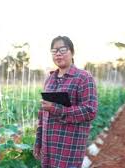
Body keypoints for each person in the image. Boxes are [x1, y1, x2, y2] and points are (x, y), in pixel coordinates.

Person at [33, 36, 98, 168]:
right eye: (54, 50)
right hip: (48, 149)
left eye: (62, 49)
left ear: (72, 53)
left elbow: (90, 111)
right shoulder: (50, 79)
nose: (58, 53)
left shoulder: (83, 78)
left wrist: (57, 109)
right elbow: (43, 114)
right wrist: (38, 141)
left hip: (68, 149)